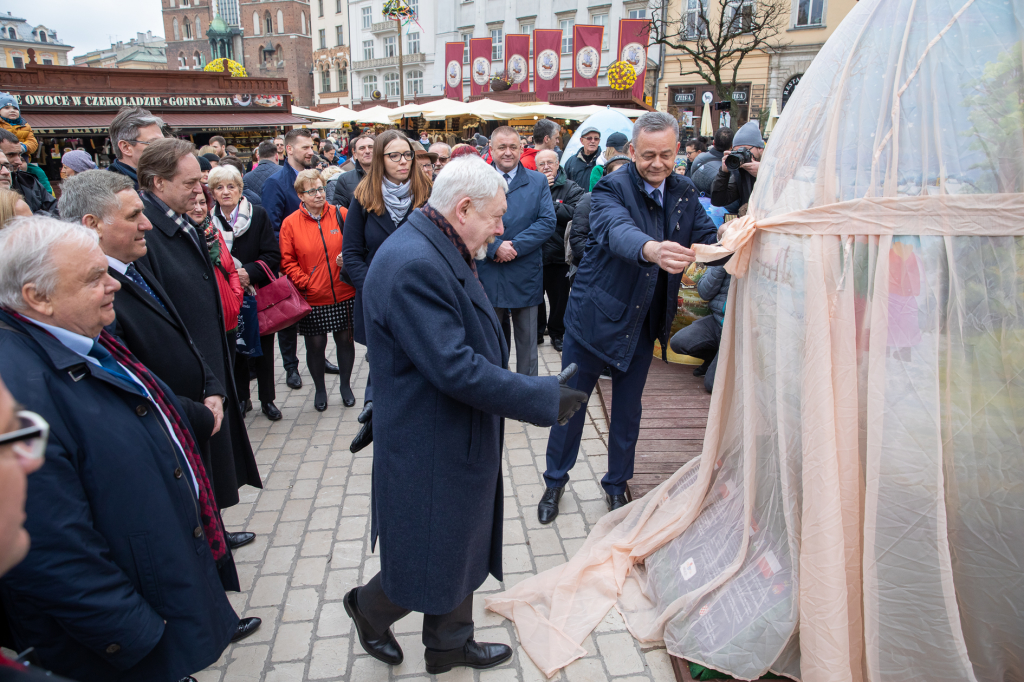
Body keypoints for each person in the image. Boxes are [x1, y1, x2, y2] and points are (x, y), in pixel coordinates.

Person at [345, 155, 586, 675]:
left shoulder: (438, 241)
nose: (502, 227)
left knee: (457, 542)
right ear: (463, 208)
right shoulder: (415, 261)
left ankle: (450, 644)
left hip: (451, 429)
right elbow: (454, 367)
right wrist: (541, 397)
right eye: (496, 216)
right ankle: (368, 608)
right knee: (432, 549)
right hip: (430, 436)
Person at [0, 217, 249, 682]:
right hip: (119, 648)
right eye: (94, 277)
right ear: (38, 297)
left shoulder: (78, 340)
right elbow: (49, 549)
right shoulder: (16, 394)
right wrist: (137, 635)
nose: (113, 282)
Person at [539, 111, 721, 522]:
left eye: (667, 155)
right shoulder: (610, 187)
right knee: (569, 404)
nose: (657, 164)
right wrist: (652, 249)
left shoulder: (685, 192)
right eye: (648, 155)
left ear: (679, 152)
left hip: (643, 319)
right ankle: (555, 481)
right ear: (633, 151)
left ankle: (617, 485)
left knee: (627, 411)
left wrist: (738, 236)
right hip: (595, 316)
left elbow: (709, 239)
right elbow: (616, 229)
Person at [57, 170, 232, 498]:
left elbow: (183, 335)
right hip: (162, 438)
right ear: (92, 224)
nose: (147, 224)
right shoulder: (94, 297)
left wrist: (210, 385)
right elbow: (127, 380)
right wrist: (200, 413)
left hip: (185, 427)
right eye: (134, 215)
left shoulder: (133, 266)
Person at [136, 138, 262, 521]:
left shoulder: (185, 221)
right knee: (198, 465)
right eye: (190, 182)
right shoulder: (150, 235)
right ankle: (212, 536)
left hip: (209, 362)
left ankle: (217, 531)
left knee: (215, 465)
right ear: (158, 183)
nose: (200, 189)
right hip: (190, 375)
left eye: (201, 181)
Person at [342, 130, 430, 446]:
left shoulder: (428, 194)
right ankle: (376, 411)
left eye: (407, 154)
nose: (403, 161)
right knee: (382, 355)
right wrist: (373, 288)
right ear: (380, 159)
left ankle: (400, 414)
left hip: (418, 293)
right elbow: (351, 253)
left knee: (416, 354)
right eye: (394, 155)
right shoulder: (363, 197)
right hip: (375, 297)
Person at [476, 126, 556, 376]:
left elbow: (547, 222)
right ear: (491, 149)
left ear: (522, 148)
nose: (508, 152)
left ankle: (529, 397)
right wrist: (495, 247)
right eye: (502, 147)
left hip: (524, 270)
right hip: (489, 271)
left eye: (513, 147)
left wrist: (514, 247)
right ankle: (496, 393)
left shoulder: (537, 181)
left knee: (528, 343)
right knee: (490, 342)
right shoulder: (477, 181)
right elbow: (467, 221)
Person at [208, 165, 283, 421]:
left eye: (231, 186)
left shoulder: (258, 215)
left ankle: (268, 400)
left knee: (263, 350)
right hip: (227, 296)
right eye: (219, 187)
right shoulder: (208, 222)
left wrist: (248, 273)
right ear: (213, 193)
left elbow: (273, 255)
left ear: (241, 190)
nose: (226, 192)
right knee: (237, 349)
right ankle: (242, 398)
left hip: (256, 294)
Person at [280, 170, 356, 412]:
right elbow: (287, 261)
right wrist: (306, 283)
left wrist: (350, 258)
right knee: (315, 344)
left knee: (345, 340)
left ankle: (345, 386)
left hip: (343, 290)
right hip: (312, 294)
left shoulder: (340, 214)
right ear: (300, 195)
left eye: (321, 188)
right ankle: (320, 390)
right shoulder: (290, 223)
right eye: (312, 190)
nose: (318, 194)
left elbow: (357, 243)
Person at [262, 128, 318, 390]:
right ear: (289, 149)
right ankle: (291, 368)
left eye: (312, 146)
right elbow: (271, 227)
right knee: (288, 318)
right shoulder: (276, 182)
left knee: (313, 315)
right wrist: (284, 264)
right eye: (305, 147)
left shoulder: (313, 178)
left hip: (314, 264)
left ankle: (316, 360)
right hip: (288, 265)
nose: (311, 151)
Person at [534, 149, 584, 353]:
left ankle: (557, 334)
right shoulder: (532, 187)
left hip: (559, 255)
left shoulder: (571, 187)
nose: (546, 167)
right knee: (535, 298)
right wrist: (541, 191)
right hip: (535, 254)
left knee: (559, 299)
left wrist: (547, 201)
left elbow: (576, 213)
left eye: (550, 162)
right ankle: (536, 333)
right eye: (541, 164)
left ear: (557, 164)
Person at [188, 190, 244, 335]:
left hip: (228, 318)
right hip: (202, 323)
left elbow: (231, 270)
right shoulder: (182, 238)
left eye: (202, 203)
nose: (199, 209)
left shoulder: (215, 233)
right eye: (193, 204)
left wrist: (235, 300)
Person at [670, 264, 729, 392]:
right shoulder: (725, 248)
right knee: (678, 342)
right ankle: (713, 357)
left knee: (712, 385)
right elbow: (704, 293)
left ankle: (723, 362)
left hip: (737, 329)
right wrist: (722, 262)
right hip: (717, 320)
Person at [567, 154, 631, 270]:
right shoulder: (589, 200)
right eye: (616, 174)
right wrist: (602, 263)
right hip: (592, 268)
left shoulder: (634, 202)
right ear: (606, 176)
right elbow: (578, 240)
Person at [107, 105, 166, 190]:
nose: (164, 149)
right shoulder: (112, 192)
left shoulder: (161, 179)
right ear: (126, 147)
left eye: (164, 142)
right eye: (154, 143)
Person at [711, 120, 763, 210]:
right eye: (736, 151)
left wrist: (763, 172)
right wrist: (723, 173)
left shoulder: (774, 165)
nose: (741, 154)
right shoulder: (740, 171)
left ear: (760, 149)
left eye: (745, 150)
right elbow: (718, 200)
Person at [0, 132, 55, 215]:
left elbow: (57, 211)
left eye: (19, 154)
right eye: (11, 154)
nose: (19, 161)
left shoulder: (30, 181)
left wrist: (32, 216)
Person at [333, 133, 374, 210]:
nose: (367, 151)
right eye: (362, 148)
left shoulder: (388, 176)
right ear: (355, 154)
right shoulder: (344, 180)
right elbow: (340, 213)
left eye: (371, 147)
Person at [689, 126, 733, 195]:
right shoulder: (728, 171)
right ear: (731, 146)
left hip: (693, 202)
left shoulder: (699, 157)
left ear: (713, 142)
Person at [563, 124, 601, 188]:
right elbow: (564, 184)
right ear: (581, 140)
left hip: (596, 198)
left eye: (596, 139)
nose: (593, 141)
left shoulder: (604, 161)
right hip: (575, 198)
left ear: (599, 141)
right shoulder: (571, 162)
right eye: (589, 138)